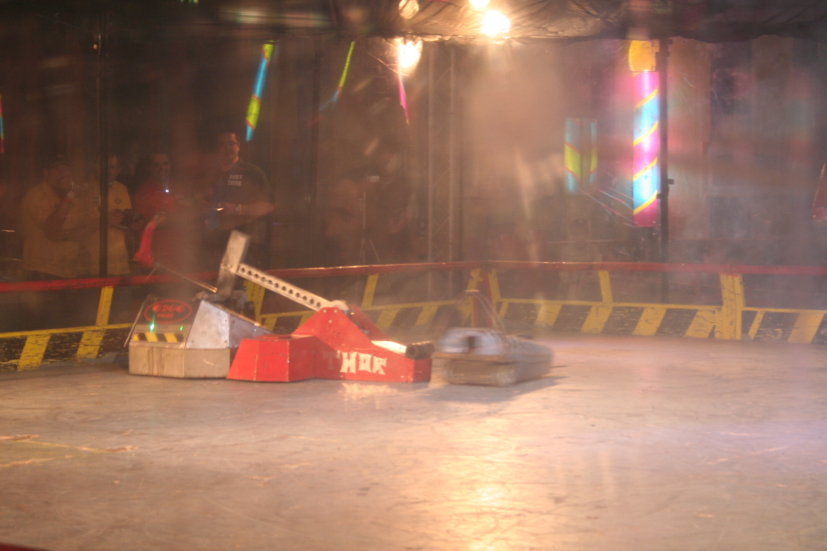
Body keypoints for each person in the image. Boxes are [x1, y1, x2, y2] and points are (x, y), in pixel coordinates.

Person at [204, 130, 274, 267]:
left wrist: (237, 209)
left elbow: (268, 206)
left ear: (238, 146)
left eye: (231, 143)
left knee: (237, 281)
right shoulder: (208, 174)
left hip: (242, 245)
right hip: (210, 246)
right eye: (222, 144)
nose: (227, 148)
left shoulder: (251, 173)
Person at [20, 155, 98, 279]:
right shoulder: (35, 196)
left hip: (72, 270)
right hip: (42, 271)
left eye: (66, 169)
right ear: (46, 172)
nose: (63, 174)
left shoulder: (77, 196)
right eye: (57, 169)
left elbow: (91, 226)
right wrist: (69, 197)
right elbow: (52, 231)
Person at [85, 154, 133, 275]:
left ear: (118, 170)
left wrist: (128, 220)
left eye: (111, 167)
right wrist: (106, 220)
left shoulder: (122, 189)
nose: (107, 171)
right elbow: (81, 226)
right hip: (95, 264)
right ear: (97, 168)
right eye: (104, 166)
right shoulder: (87, 190)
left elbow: (127, 219)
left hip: (120, 264)